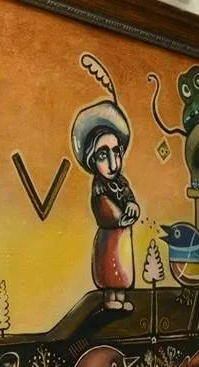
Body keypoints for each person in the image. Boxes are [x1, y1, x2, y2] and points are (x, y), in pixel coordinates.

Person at [71, 99, 140, 312]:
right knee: (111, 267)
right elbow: (103, 208)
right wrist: (119, 217)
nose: (113, 163)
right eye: (103, 154)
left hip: (123, 236)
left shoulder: (121, 182)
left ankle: (120, 296)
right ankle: (111, 298)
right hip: (109, 238)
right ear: (93, 159)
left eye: (116, 152)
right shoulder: (99, 186)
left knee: (123, 266)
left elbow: (128, 196)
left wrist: (133, 207)